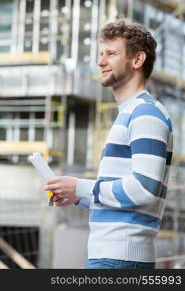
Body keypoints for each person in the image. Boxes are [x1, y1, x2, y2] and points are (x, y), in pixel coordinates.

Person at [44, 19, 173, 269]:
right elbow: (127, 196)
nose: (100, 61)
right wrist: (75, 196)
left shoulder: (145, 114)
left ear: (137, 60)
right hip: (114, 258)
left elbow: (145, 190)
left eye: (111, 54)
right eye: (101, 54)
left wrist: (81, 187)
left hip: (120, 260)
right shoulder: (131, 114)